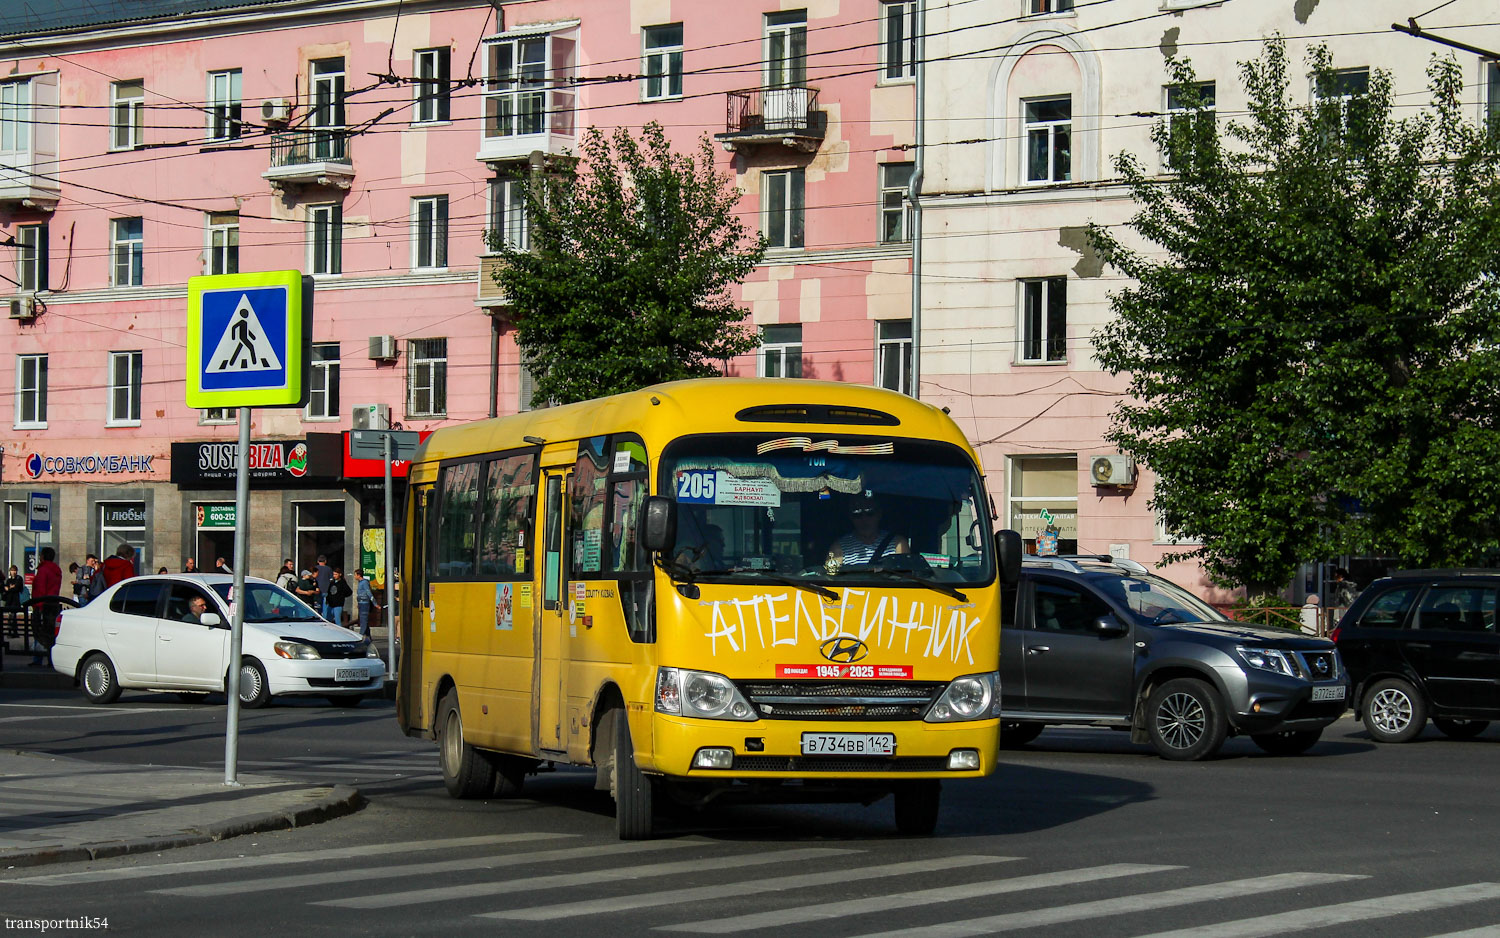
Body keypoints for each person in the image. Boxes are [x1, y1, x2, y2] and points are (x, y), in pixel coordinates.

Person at [826, 493, 909, 570]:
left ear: (879, 514)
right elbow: (831, 577)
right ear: (851, 517)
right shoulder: (838, 547)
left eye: (870, 513)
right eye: (857, 514)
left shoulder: (898, 544)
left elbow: (905, 576)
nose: (864, 519)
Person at [30, 547, 63, 667]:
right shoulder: (56, 570)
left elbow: (40, 589)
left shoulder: (43, 570)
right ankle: (51, 659)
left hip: (42, 605)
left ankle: (37, 659)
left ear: (43, 556)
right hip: (53, 604)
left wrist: (37, 606)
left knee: (39, 631)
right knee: (51, 632)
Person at [352, 568, 380, 639]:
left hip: (364, 603)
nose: (354, 576)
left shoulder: (364, 583)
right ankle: (368, 636)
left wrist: (375, 603)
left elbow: (368, 592)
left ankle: (360, 636)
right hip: (361, 602)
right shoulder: (360, 583)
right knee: (363, 620)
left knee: (363, 620)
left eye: (355, 575)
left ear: (359, 575)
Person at [314, 555, 332, 619]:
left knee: (318, 606)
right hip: (326, 589)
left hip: (317, 590)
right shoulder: (329, 569)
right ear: (325, 561)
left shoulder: (315, 568)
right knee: (325, 607)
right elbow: (331, 579)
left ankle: (318, 617)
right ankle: (325, 618)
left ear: (318, 561)